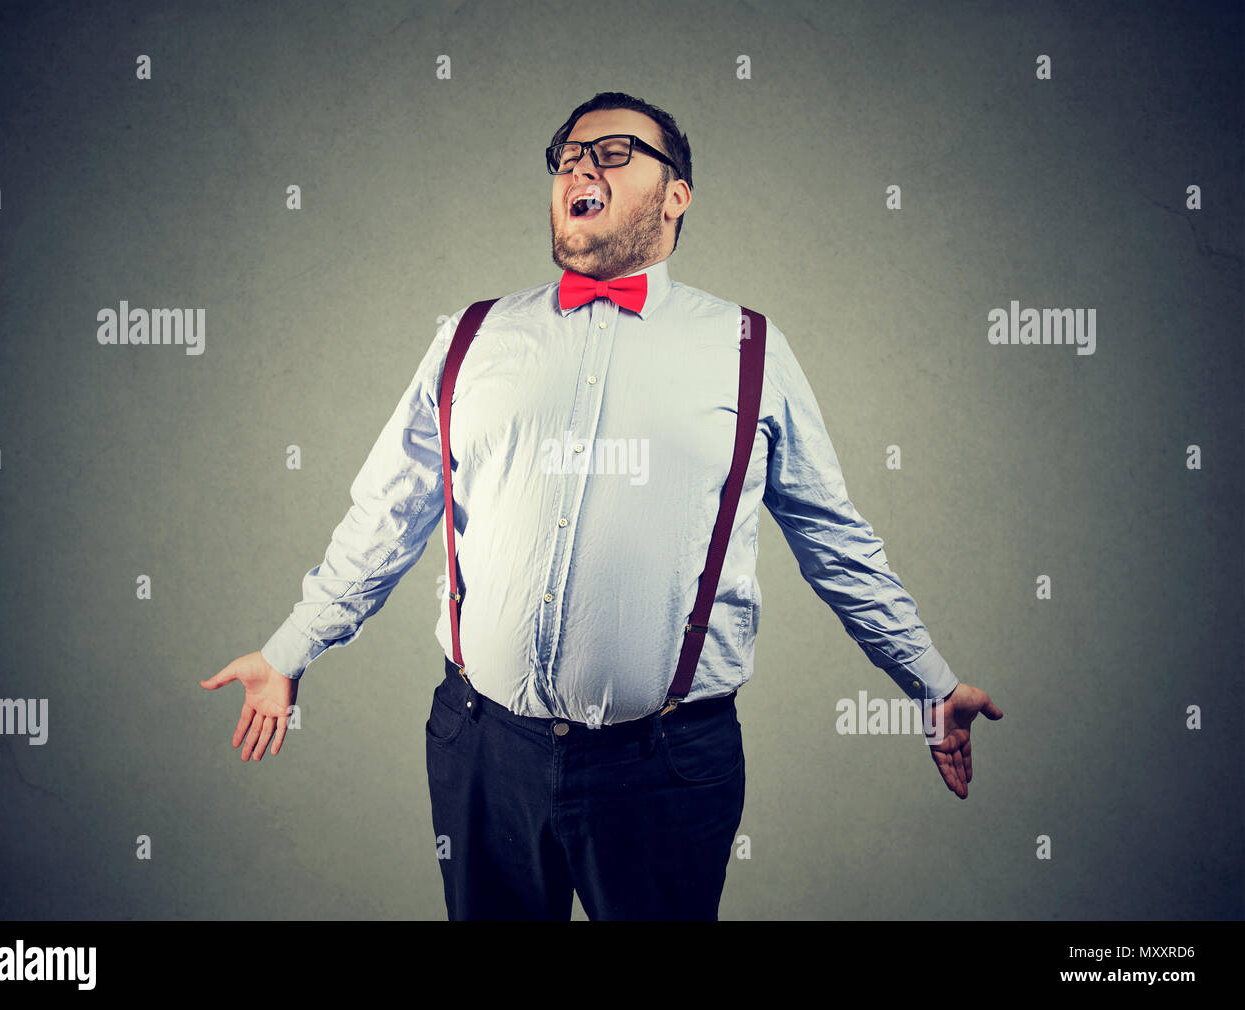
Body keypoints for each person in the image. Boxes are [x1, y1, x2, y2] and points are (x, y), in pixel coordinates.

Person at [201, 91, 1004, 920]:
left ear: (676, 194)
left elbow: (834, 541)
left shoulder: (748, 349)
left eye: (615, 152)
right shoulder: (472, 335)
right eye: (567, 154)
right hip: (481, 747)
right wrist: (291, 649)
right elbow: (390, 510)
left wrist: (929, 681)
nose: (580, 166)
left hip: (665, 767)